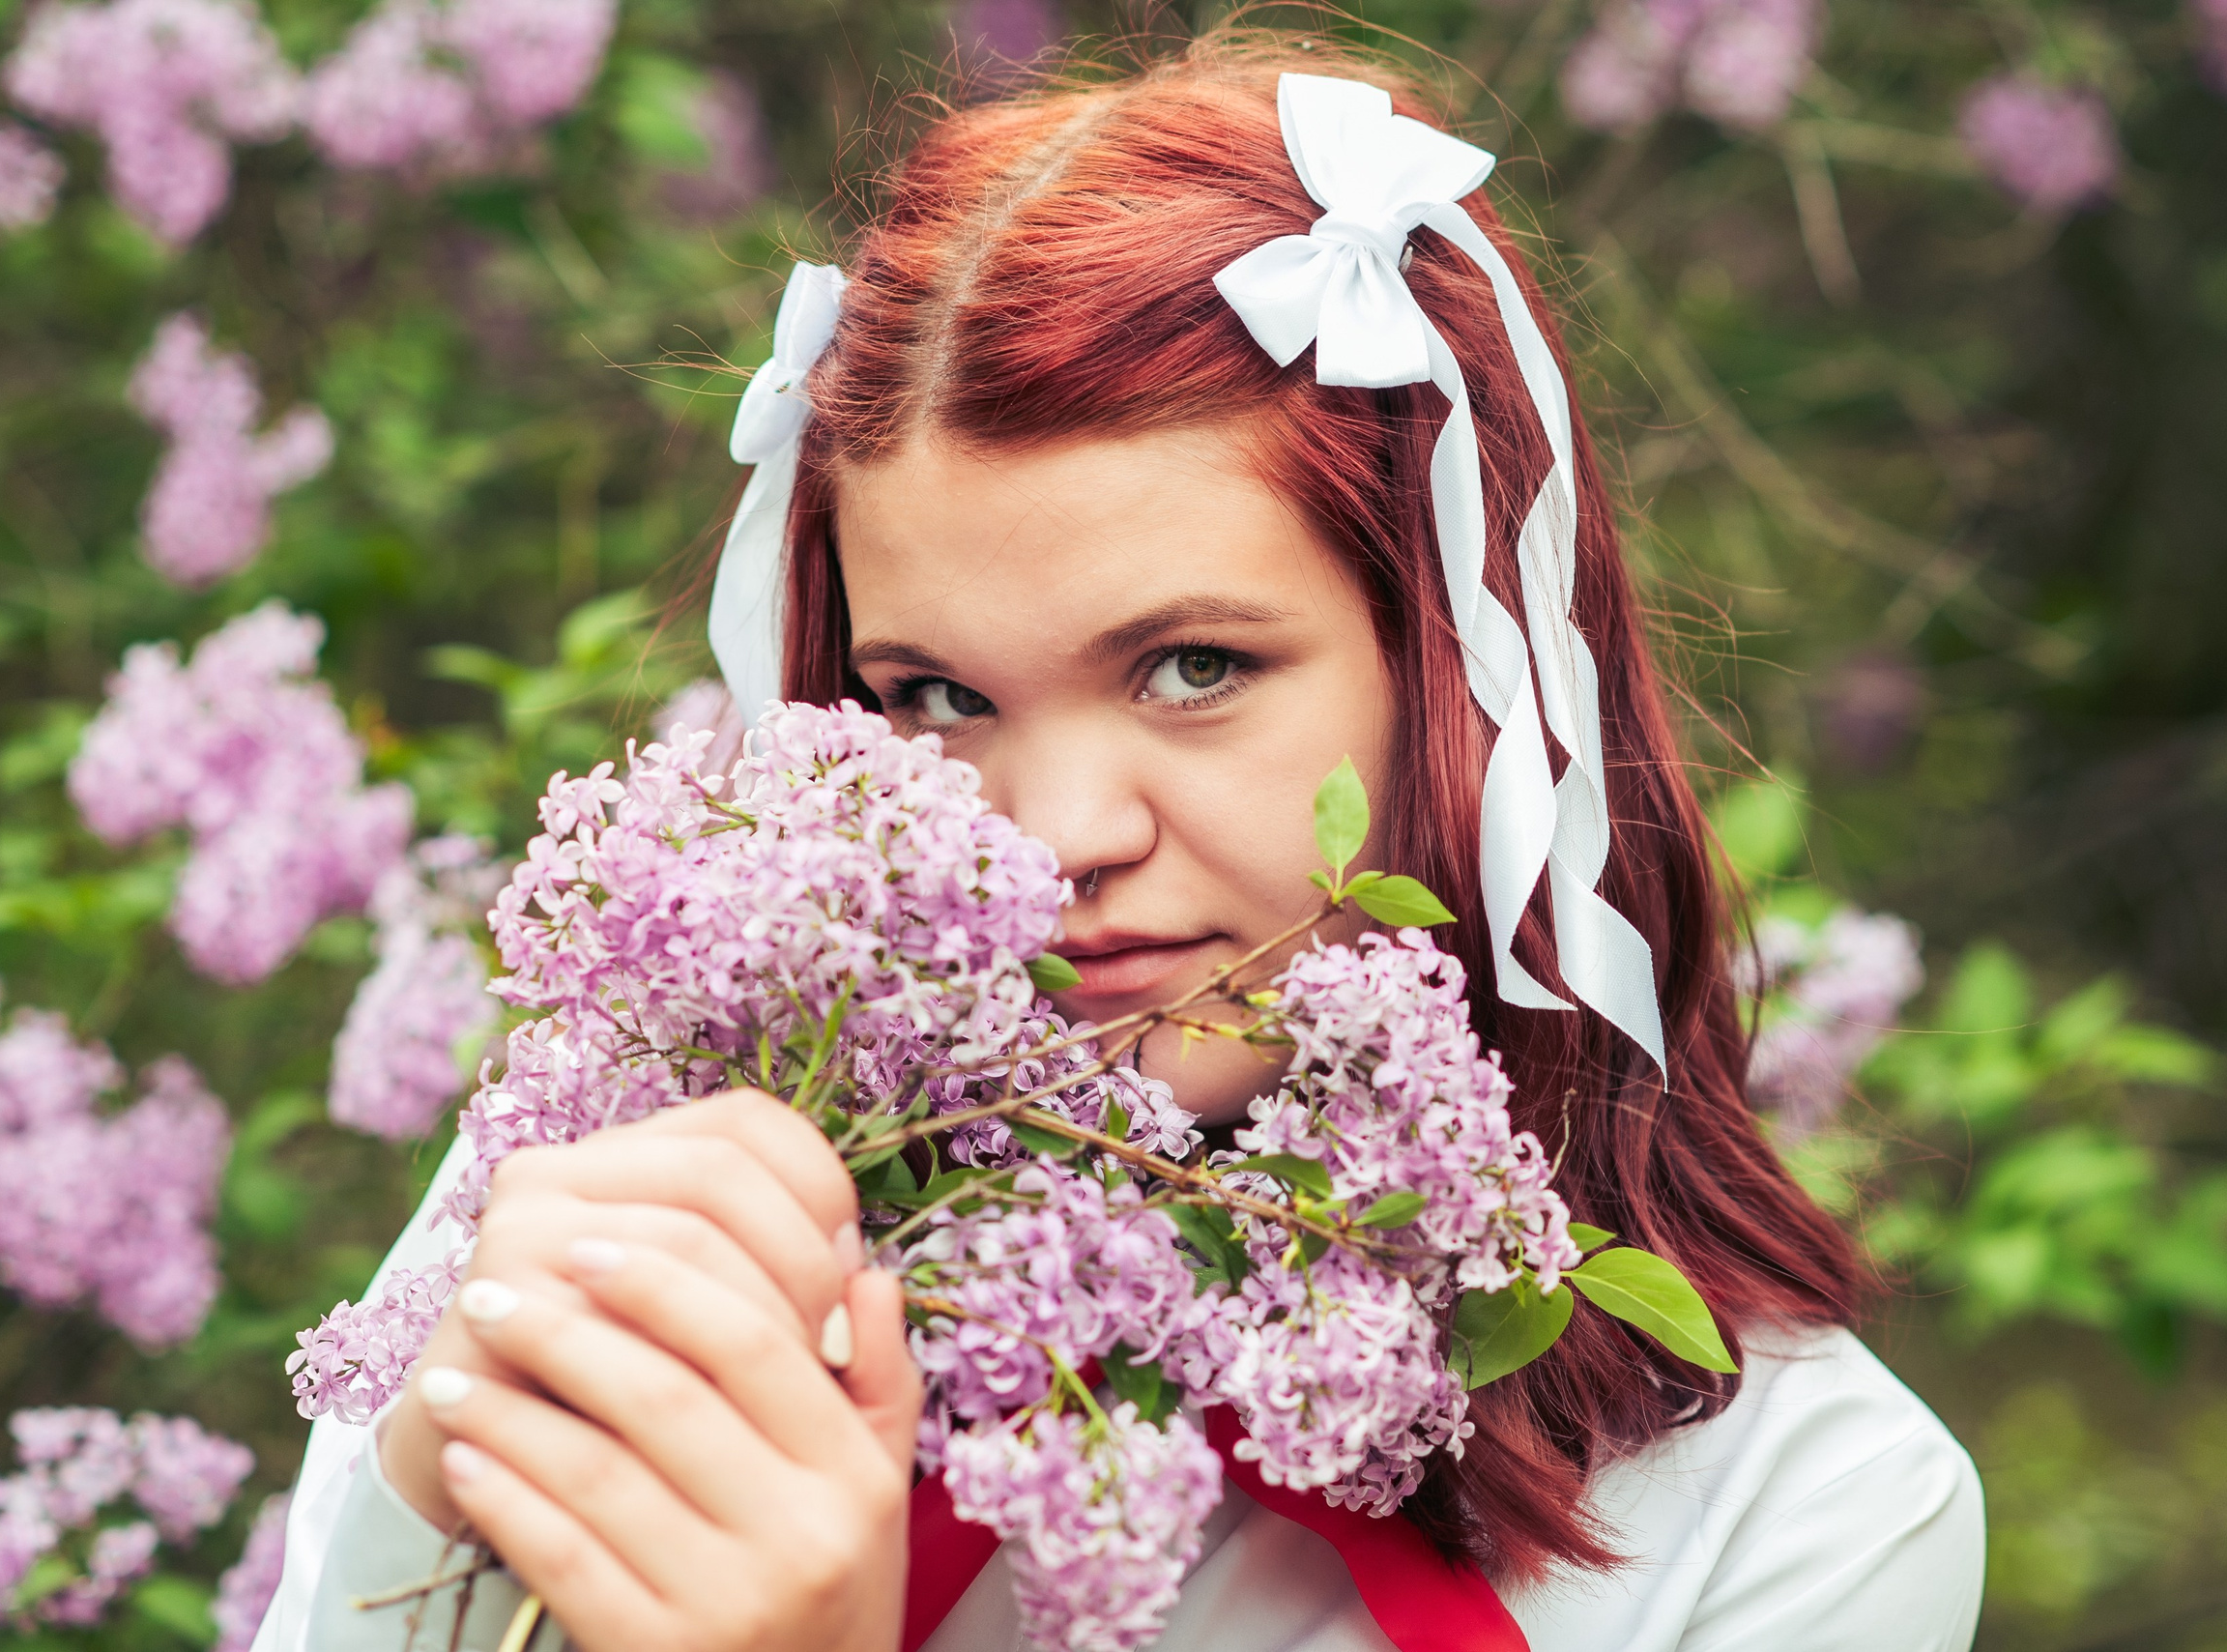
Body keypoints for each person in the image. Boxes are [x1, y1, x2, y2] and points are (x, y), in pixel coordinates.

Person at [255, 35, 1985, 1652]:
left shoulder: (1801, 1509)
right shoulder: (609, 1223)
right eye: (934, 694)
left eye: (1192, 667)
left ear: (1459, 676)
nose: (1053, 841)